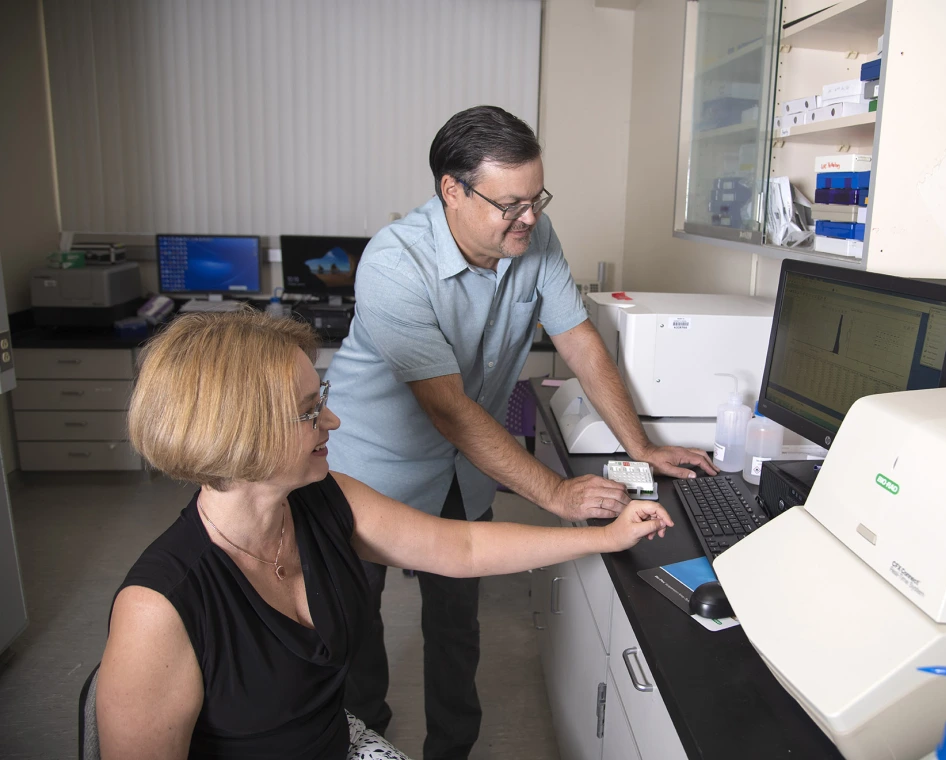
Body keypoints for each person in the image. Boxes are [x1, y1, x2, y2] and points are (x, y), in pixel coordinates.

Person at [96, 309, 673, 760]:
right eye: (308, 413)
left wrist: (601, 538)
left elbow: (461, 546)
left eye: (320, 401)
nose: (334, 421)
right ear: (238, 433)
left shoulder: (326, 501)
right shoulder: (159, 608)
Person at [324, 104, 717, 758]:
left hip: (463, 467)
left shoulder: (532, 236)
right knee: (354, 619)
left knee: (456, 625)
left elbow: (580, 341)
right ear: (453, 190)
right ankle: (365, 728)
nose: (529, 217)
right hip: (371, 467)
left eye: (536, 199)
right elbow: (447, 408)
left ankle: (450, 749)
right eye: (511, 204)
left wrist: (640, 445)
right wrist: (554, 495)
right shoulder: (395, 263)